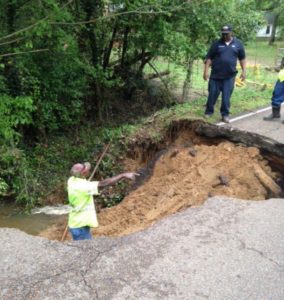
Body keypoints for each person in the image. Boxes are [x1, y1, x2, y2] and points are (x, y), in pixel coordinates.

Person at [67, 162, 139, 241]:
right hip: (80, 227)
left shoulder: (71, 180)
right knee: (86, 250)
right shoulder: (84, 186)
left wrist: (84, 175)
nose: (88, 171)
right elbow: (104, 183)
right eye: (86, 170)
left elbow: (84, 178)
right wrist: (123, 175)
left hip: (76, 223)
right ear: (84, 173)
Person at [203, 25, 246, 123]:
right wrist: (205, 71)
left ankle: (225, 115)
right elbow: (209, 58)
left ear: (231, 33)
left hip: (229, 76)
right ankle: (209, 111)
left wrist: (244, 71)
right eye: (223, 34)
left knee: (226, 97)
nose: (225, 36)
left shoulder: (238, 44)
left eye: (226, 34)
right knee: (212, 94)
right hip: (215, 76)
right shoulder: (216, 44)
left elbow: (242, 58)